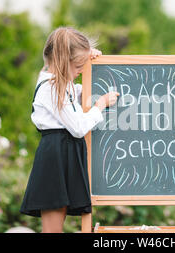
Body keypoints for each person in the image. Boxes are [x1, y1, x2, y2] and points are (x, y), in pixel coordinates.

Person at [20, 27, 119, 233]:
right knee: (53, 229)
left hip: (64, 153)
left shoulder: (61, 84)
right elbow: (78, 127)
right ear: (63, 63)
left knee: (58, 221)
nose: (80, 71)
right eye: (77, 67)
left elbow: (79, 93)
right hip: (56, 156)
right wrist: (100, 104)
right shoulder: (51, 88)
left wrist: (91, 61)